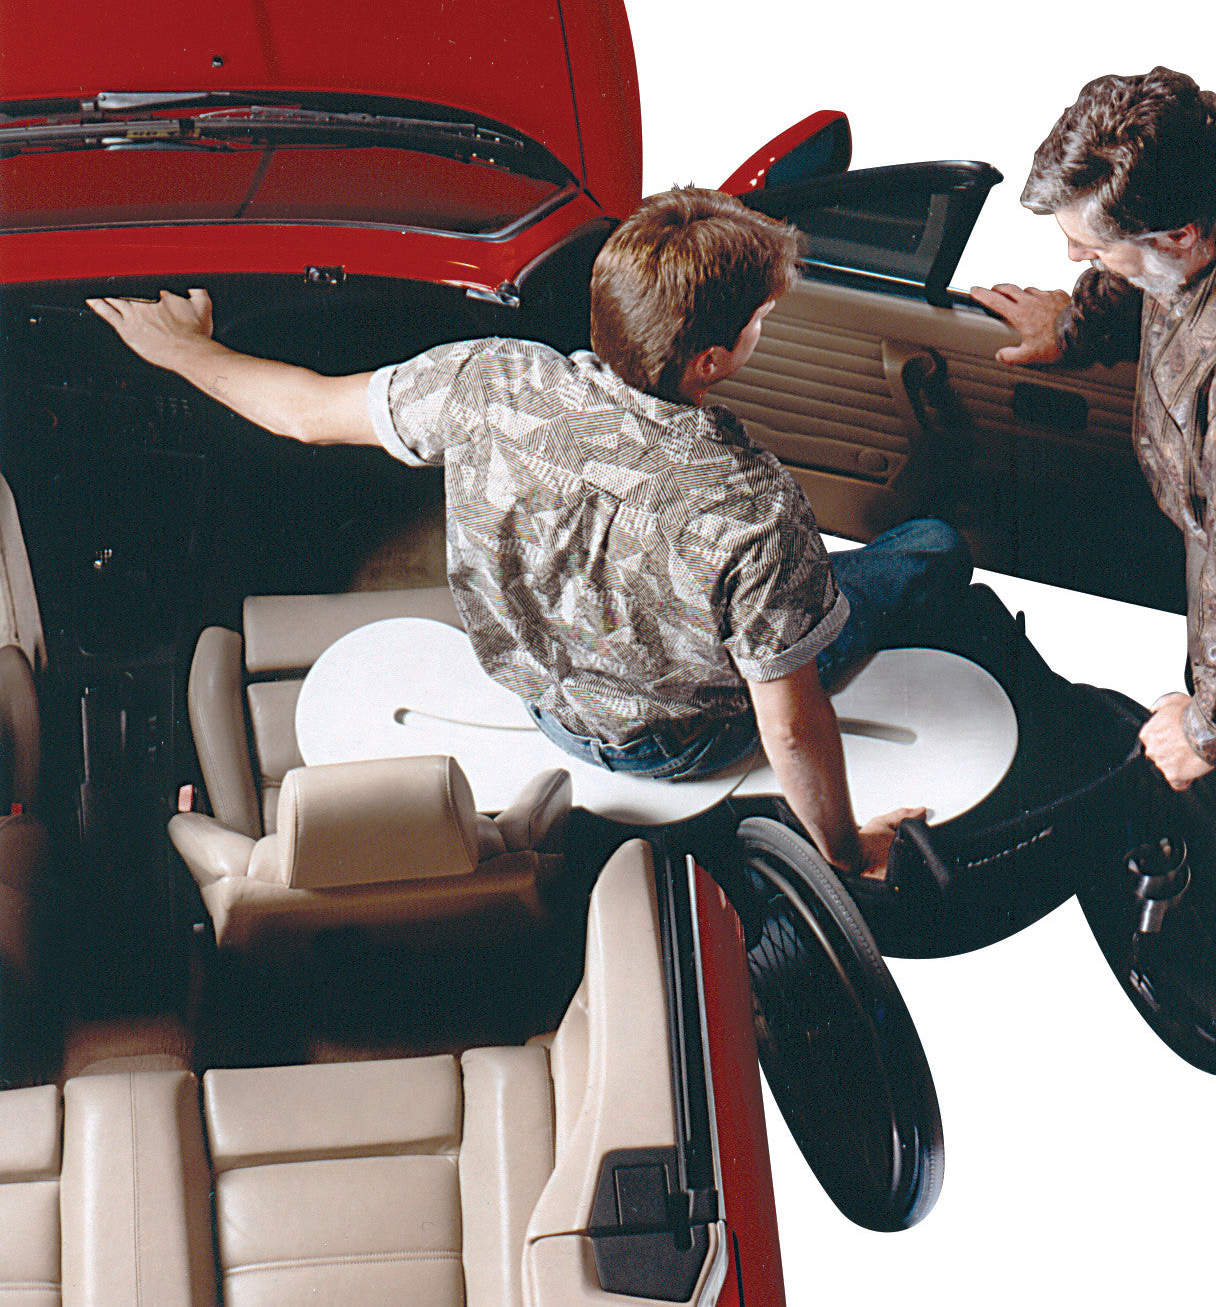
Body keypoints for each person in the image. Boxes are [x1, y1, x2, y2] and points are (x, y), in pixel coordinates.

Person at [89, 188, 970, 880]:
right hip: (675, 745)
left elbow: (308, 415)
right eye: (761, 321)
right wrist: (847, 850)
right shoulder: (752, 509)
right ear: (713, 362)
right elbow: (789, 728)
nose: (765, 328)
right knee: (932, 550)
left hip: (545, 704)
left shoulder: (492, 380)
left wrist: (183, 352)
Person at [970, 68, 1216, 981]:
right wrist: (1087, 319)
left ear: (1178, 233)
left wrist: (1211, 727)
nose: (1071, 262)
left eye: (1090, 253)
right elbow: (1163, 279)